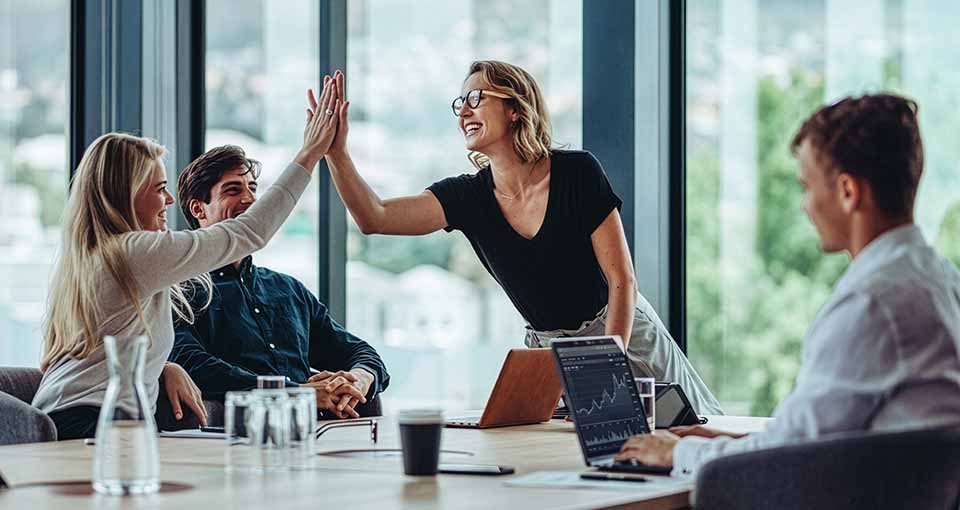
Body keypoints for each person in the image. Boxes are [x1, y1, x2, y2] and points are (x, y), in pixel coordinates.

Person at [317, 60, 722, 415]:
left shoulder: (577, 172)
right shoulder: (467, 197)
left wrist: (603, 365)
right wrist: (336, 153)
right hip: (550, 355)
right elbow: (375, 216)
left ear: (514, 107)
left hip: (623, 334)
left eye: (475, 98)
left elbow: (622, 282)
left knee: (697, 434)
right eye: (460, 105)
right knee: (571, 460)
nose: (464, 113)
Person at [616, 93, 960, 477]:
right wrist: (728, 444)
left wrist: (677, 454)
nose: (805, 206)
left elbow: (789, 457)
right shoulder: (939, 279)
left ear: (848, 192)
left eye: (807, 187)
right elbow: (813, 434)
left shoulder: (874, 301)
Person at [32, 76, 343, 439]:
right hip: (90, 425)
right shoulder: (132, 253)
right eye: (160, 189)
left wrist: (164, 366)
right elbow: (249, 233)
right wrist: (309, 154)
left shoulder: (96, 256)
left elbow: (92, 352)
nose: (169, 201)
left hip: (73, 418)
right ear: (126, 194)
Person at [169, 145, 389, 420]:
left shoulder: (288, 290)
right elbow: (193, 365)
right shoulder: (179, 293)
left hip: (317, 435)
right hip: (234, 439)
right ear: (198, 208)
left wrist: (358, 379)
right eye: (233, 190)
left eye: (252, 188)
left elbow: (360, 351)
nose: (251, 200)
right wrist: (295, 393)